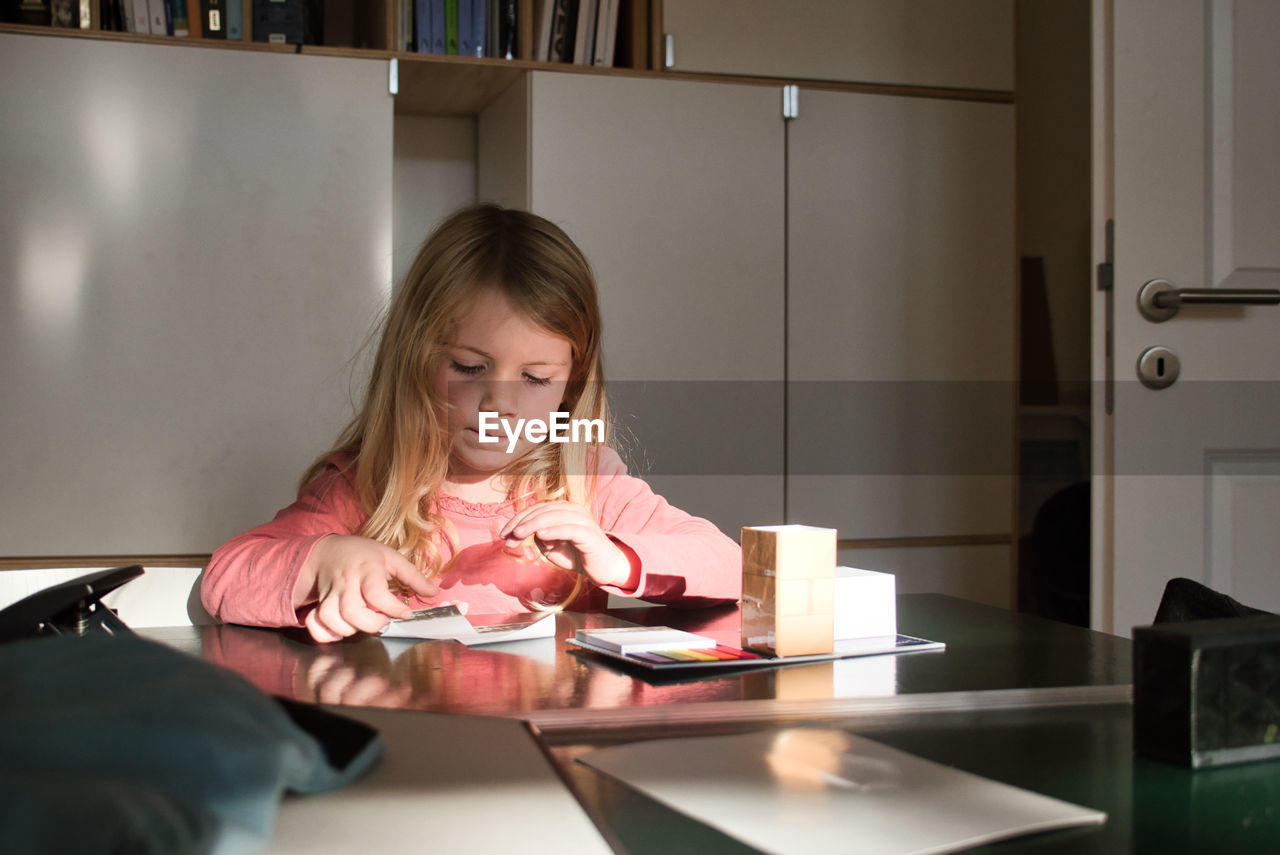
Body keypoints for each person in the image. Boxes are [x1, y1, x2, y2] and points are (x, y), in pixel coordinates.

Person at [201, 204, 741, 643]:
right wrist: (324, 558)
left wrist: (615, 557)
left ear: (571, 383)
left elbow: (733, 567)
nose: (499, 404)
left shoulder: (587, 479)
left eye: (534, 378)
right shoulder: (364, 485)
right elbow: (223, 579)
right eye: (469, 367)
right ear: (414, 360)